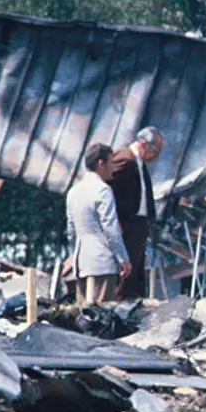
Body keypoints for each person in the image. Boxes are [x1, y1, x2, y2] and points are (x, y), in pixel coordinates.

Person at [65, 143, 130, 306]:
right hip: (102, 262)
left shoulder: (73, 192)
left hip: (82, 263)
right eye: (110, 163)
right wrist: (123, 259)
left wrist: (75, 255)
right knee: (102, 317)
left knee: (83, 316)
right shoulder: (103, 190)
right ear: (101, 164)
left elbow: (71, 231)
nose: (112, 169)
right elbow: (111, 229)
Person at [105, 126, 164, 300]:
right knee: (125, 276)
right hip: (127, 225)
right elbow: (107, 189)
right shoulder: (125, 159)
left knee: (136, 276)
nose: (156, 156)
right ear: (144, 144)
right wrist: (115, 220)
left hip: (137, 225)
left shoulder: (139, 163)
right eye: (156, 151)